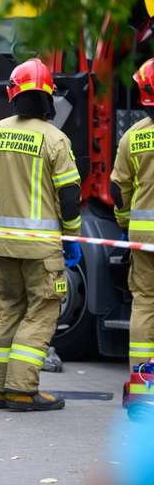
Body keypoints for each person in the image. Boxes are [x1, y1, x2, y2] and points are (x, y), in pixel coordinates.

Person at [0, 58, 81, 411]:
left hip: (2, 246)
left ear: (12, 94)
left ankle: (2, 390)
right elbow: (69, 196)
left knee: (7, 311)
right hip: (42, 250)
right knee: (41, 314)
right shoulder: (55, 139)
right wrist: (72, 236)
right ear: (48, 97)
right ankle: (22, 390)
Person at [111, 57, 154, 372]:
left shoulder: (133, 136)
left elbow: (118, 190)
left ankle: (142, 377)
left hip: (143, 236)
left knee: (145, 304)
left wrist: (125, 224)